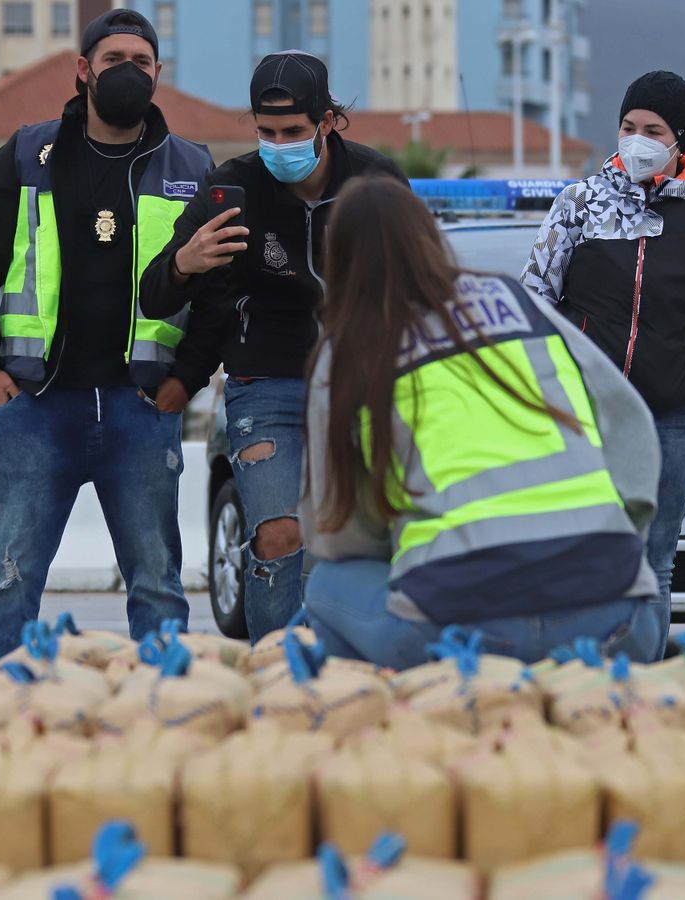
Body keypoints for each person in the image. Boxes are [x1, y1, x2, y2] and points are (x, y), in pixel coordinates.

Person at [302, 176, 661, 668]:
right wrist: (619, 540)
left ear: (337, 262)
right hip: (617, 616)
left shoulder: (345, 354)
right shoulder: (518, 303)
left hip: (459, 631)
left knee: (325, 586)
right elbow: (630, 428)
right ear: (431, 237)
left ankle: (393, 731)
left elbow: (338, 530)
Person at [0, 9, 214, 677]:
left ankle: (166, 713)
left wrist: (186, 377)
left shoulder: (191, 165)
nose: (127, 70)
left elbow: (215, 286)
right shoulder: (25, 154)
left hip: (140, 408)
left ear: (159, 74)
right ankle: (0, 719)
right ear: (83, 70)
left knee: (157, 584)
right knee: (10, 581)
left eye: (141, 61)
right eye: (113, 58)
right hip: (37, 406)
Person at [140, 51, 406, 640]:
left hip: (363, 383)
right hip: (268, 383)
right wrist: (186, 263)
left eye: (293, 132)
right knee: (278, 533)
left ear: (328, 122)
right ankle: (275, 669)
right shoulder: (231, 186)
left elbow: (422, 284)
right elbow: (156, 295)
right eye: (266, 132)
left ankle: (377, 662)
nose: (278, 144)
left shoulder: (376, 181)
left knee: (377, 534)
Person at [521, 70, 685, 662]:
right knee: (587, 551)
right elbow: (533, 301)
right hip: (587, 411)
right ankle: (580, 678)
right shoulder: (578, 205)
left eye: (653, 130)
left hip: (674, 416)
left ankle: (643, 689)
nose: (637, 139)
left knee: (654, 560)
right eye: (628, 126)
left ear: (680, 139)